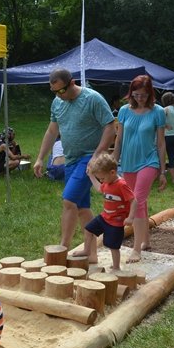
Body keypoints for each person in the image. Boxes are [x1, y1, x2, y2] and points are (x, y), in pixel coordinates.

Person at [32, 68, 116, 263]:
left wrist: (97, 155)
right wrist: (40, 158)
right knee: (81, 208)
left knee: (69, 201)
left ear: (72, 83)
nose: (58, 96)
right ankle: (91, 252)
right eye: (54, 92)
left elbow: (110, 126)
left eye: (61, 91)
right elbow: (52, 131)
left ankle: (62, 249)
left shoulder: (92, 98)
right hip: (70, 159)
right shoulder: (57, 103)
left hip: (88, 157)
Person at [112, 75, 166, 263]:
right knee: (138, 202)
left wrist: (163, 170)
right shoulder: (124, 111)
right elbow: (118, 140)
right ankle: (146, 241)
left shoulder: (158, 112)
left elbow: (160, 143)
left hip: (149, 162)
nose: (140, 98)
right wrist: (113, 163)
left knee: (137, 201)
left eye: (143, 95)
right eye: (136, 95)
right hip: (128, 163)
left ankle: (136, 249)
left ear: (150, 93)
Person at [83, 153, 136, 271]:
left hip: (116, 222)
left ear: (112, 172)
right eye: (100, 179)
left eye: (102, 178)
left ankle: (116, 267)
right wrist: (91, 176)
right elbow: (99, 188)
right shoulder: (107, 182)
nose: (101, 181)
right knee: (88, 229)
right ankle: (86, 250)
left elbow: (134, 200)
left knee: (113, 246)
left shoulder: (121, 185)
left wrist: (131, 217)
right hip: (104, 217)